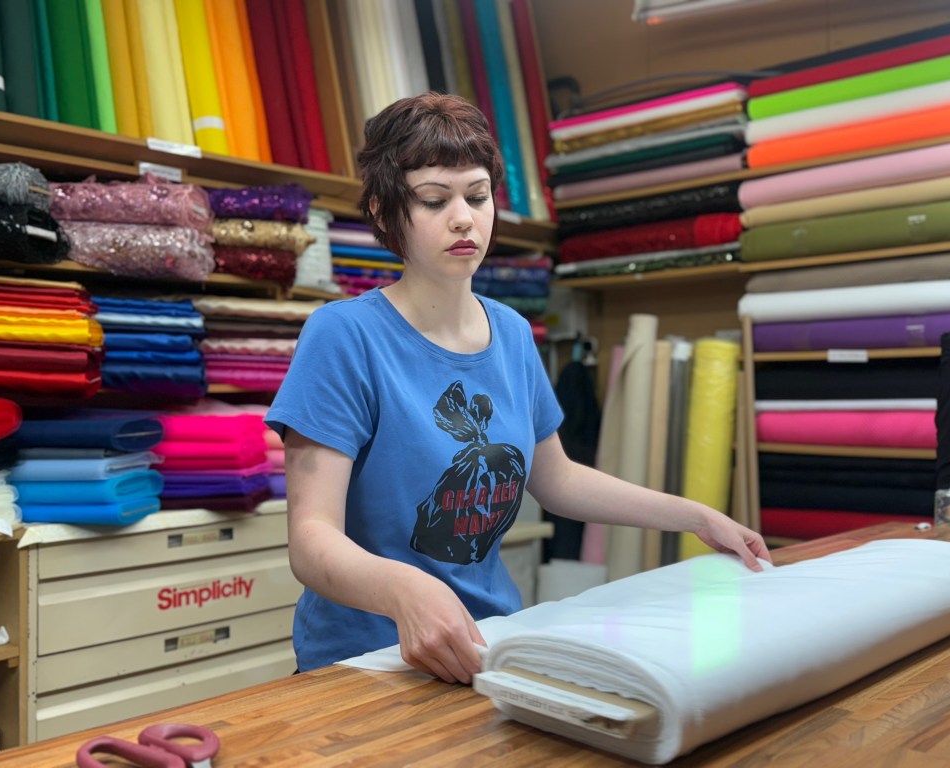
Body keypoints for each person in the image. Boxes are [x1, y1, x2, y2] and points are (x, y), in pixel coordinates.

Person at [265, 92, 770, 685]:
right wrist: (403, 590)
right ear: (382, 211)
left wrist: (696, 517)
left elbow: (556, 480)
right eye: (434, 200)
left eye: (477, 197)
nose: (463, 218)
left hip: (491, 645)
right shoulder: (345, 336)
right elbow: (311, 539)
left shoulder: (509, 331)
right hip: (366, 661)